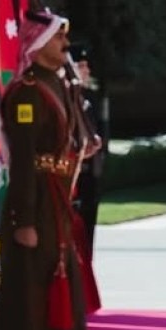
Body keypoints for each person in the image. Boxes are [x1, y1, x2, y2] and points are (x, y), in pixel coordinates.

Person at [0, 10, 99, 330]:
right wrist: (25, 220)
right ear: (37, 45)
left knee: (54, 293)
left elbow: (72, 141)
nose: (65, 46)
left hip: (55, 205)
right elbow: (24, 161)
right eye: (57, 39)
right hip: (36, 206)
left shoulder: (57, 84)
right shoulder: (27, 93)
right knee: (31, 300)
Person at [69, 45, 107, 256]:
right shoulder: (66, 98)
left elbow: (101, 131)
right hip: (74, 172)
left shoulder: (91, 97)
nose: (86, 70)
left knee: (88, 228)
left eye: (86, 66)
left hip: (91, 173)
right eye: (81, 65)